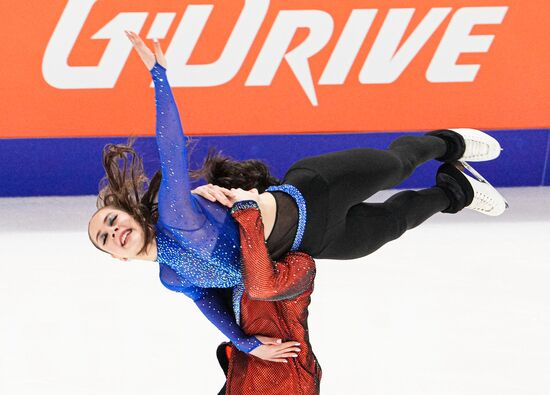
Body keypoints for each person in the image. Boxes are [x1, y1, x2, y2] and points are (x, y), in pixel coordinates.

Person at [88, 31, 508, 361]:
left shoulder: (175, 211)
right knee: (396, 222)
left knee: (396, 165)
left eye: (110, 220)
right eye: (104, 238)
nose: (112, 231)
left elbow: (171, 149)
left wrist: (159, 77)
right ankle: (456, 190)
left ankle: (447, 143)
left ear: (130, 213)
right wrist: (248, 345)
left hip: (314, 190)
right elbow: (210, 306)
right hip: (317, 243)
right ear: (117, 259)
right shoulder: (173, 277)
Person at [216, 194, 321, 394]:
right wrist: (246, 209)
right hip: (286, 268)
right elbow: (263, 287)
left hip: (247, 264)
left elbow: (202, 292)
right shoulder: (296, 386)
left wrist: (244, 344)